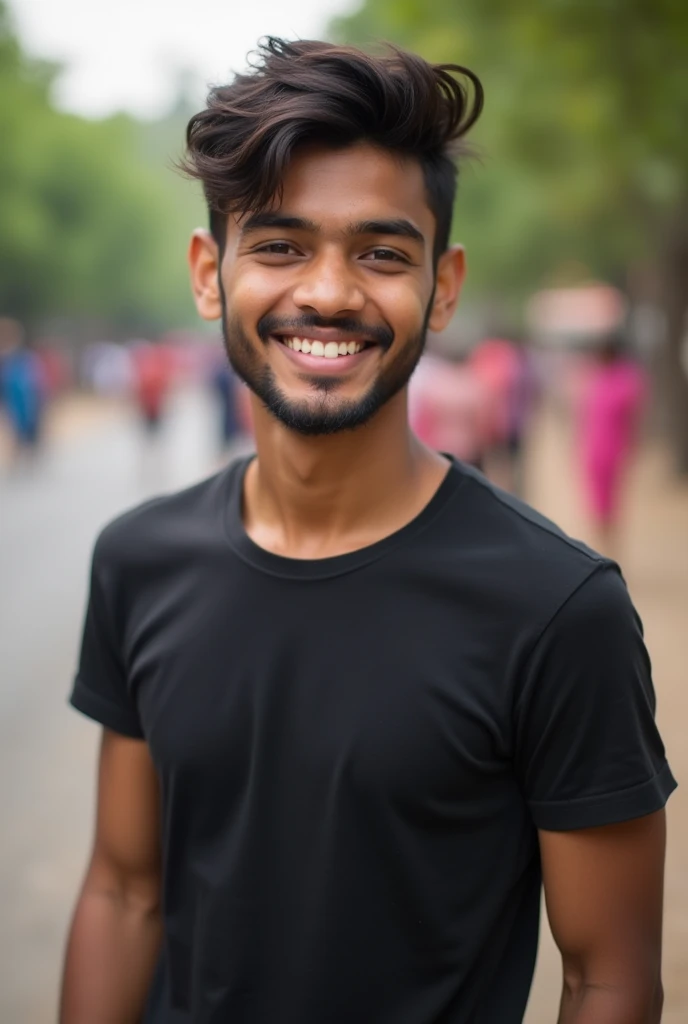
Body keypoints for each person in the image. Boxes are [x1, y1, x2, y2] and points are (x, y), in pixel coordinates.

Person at [61, 39, 675, 1024]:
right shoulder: (136, 560)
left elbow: (609, 975)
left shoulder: (557, 610)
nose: (329, 292)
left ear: (443, 285)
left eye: (382, 253)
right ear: (209, 273)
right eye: (280, 245)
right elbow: (124, 888)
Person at [575, 334, 648, 555]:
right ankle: (601, 545)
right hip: (594, 447)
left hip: (614, 448)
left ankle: (611, 546)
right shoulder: (597, 378)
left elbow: (634, 418)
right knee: (596, 502)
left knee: (612, 503)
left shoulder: (626, 380)